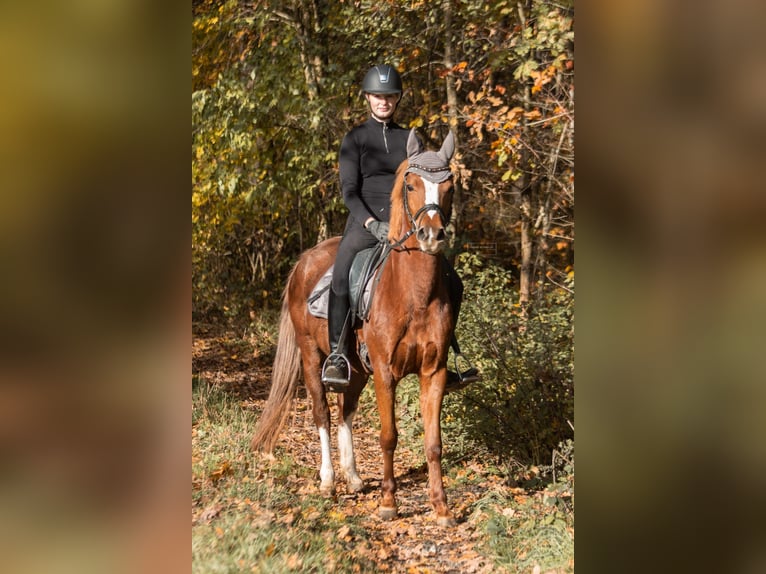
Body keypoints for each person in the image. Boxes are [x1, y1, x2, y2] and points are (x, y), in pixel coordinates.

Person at [321, 64, 478, 392]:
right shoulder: (355, 139)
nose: (384, 101)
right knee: (340, 274)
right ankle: (337, 355)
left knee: (453, 281)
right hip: (365, 222)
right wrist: (370, 223)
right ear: (367, 98)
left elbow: (422, 183)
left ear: (397, 99)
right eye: (378, 96)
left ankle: (445, 359)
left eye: (389, 96)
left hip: (404, 223)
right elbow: (349, 191)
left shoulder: (409, 139)